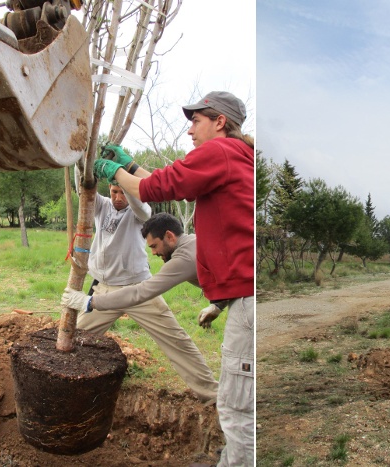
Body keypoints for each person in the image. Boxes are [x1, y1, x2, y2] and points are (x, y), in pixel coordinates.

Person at [93, 91, 254, 467]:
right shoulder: (234, 157)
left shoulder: (221, 151)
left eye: (196, 121)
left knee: (237, 408)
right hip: (241, 298)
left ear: (219, 122)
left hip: (246, 301)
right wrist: (131, 166)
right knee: (236, 401)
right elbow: (169, 179)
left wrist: (114, 172)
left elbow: (158, 188)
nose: (189, 131)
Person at [62, 182, 218, 403]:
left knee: (176, 341)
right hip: (105, 288)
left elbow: (141, 206)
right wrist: (83, 159)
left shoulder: (139, 212)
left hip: (139, 290)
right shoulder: (101, 206)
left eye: (123, 192)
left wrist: (123, 176)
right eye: (114, 191)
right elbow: (84, 185)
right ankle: (65, 387)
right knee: (73, 338)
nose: (118, 197)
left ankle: (212, 395)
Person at [62, 211, 228, 327]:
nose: (154, 253)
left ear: (170, 236)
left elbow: (140, 292)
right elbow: (224, 275)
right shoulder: (193, 241)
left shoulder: (183, 259)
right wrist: (218, 304)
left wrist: (90, 302)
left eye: (154, 246)